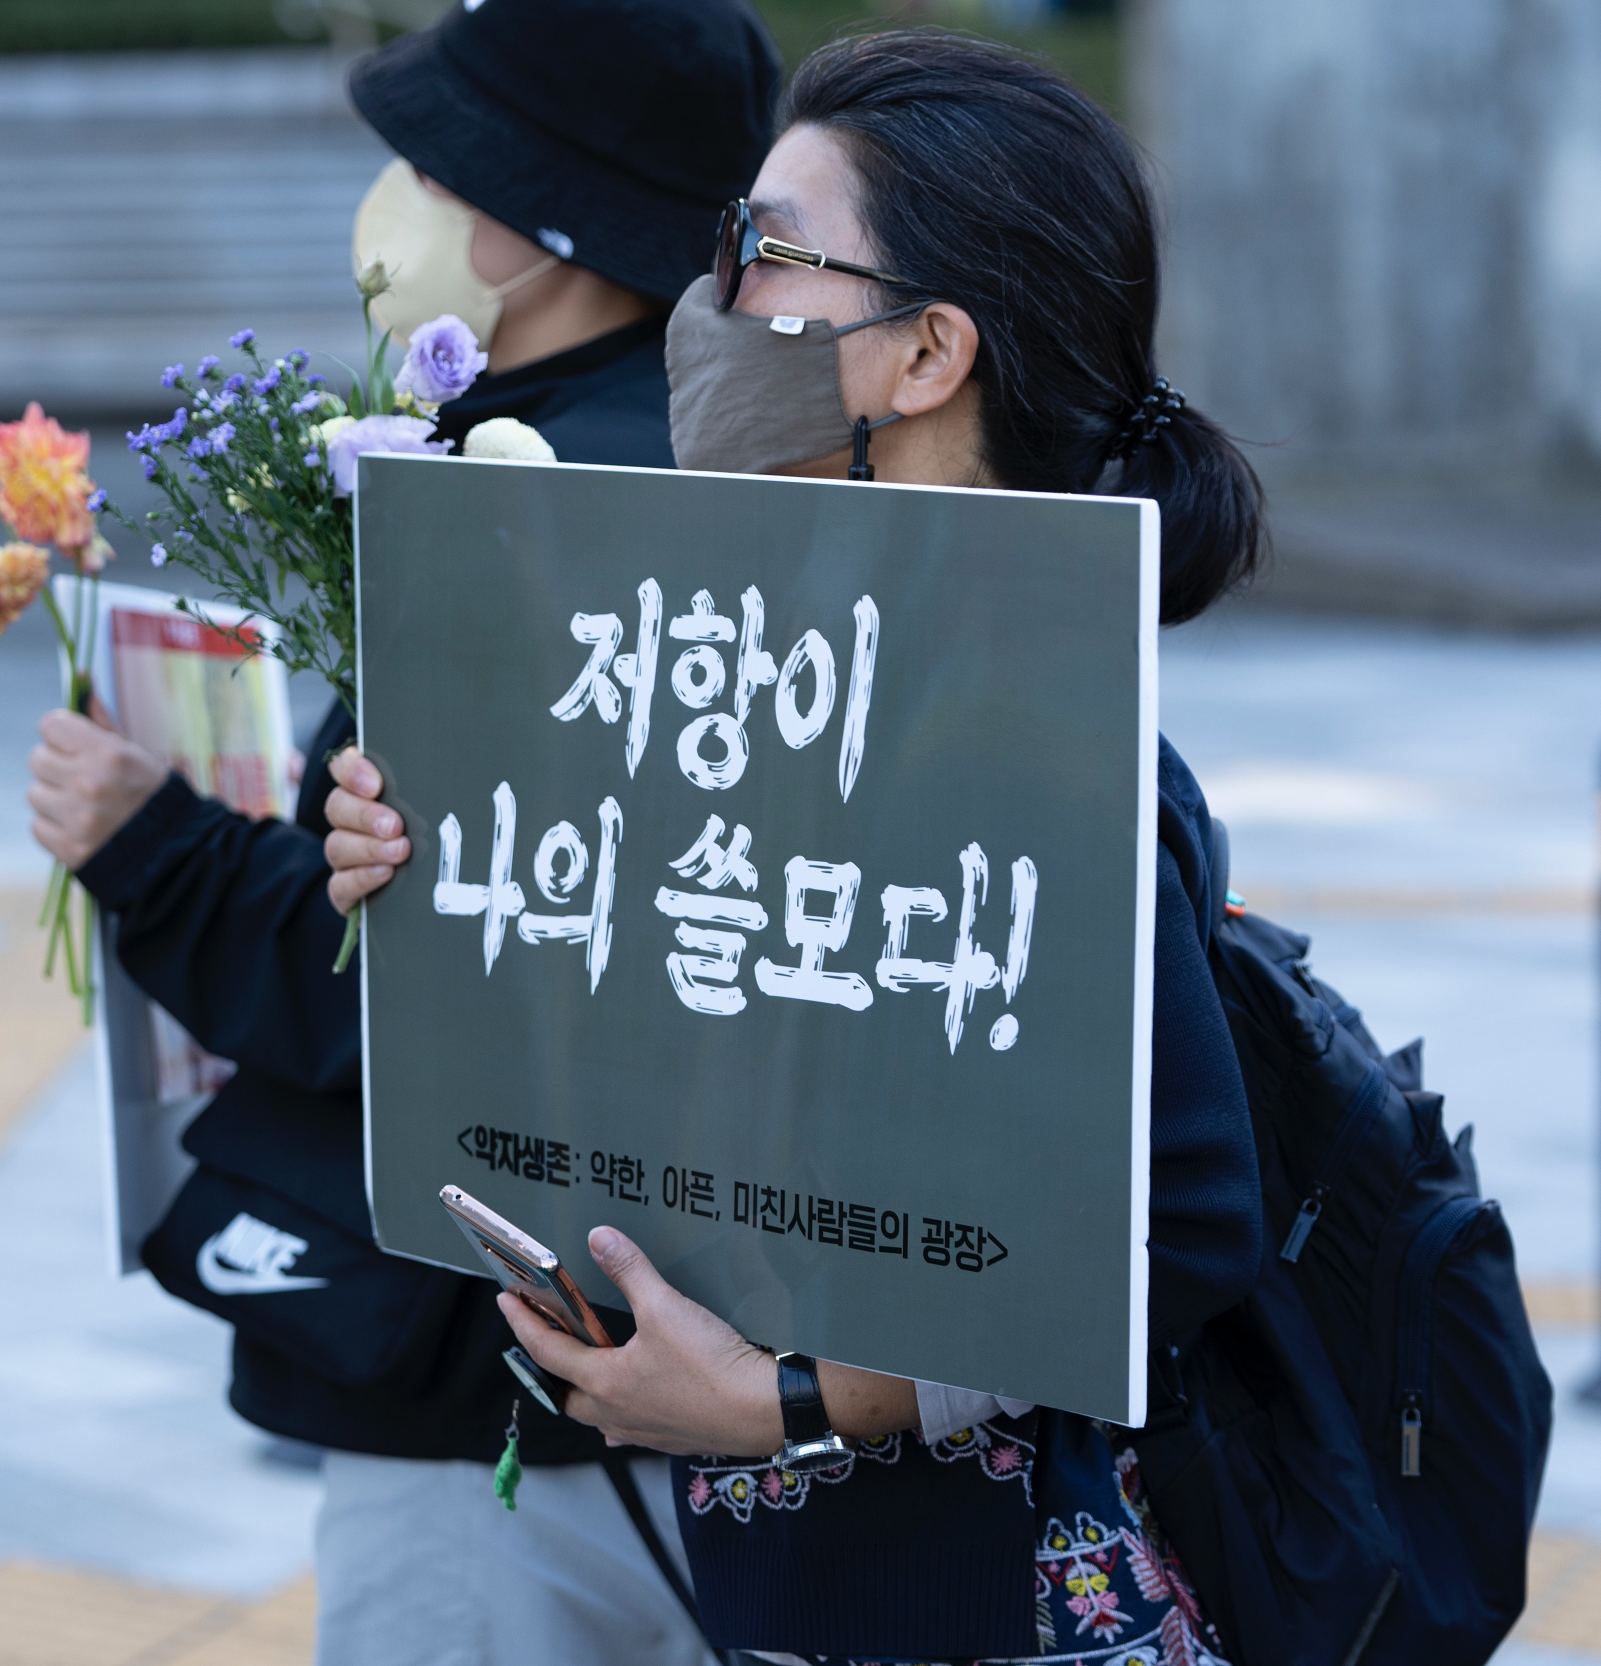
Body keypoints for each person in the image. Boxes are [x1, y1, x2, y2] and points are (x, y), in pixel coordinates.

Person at [321, 30, 1270, 1665]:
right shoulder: (780, 685)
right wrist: (447, 873)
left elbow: (1175, 1221)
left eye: (763, 255)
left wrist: (789, 1406)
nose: (710, 302)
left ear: (925, 356)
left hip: (994, 1610)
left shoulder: (1022, 726)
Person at [23, 4, 778, 1663]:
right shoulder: (721, 464)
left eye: (437, 166)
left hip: (486, 1401)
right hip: (689, 1360)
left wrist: (152, 844)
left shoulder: (529, 515)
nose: (397, 197)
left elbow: (417, 994)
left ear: (549, 222)